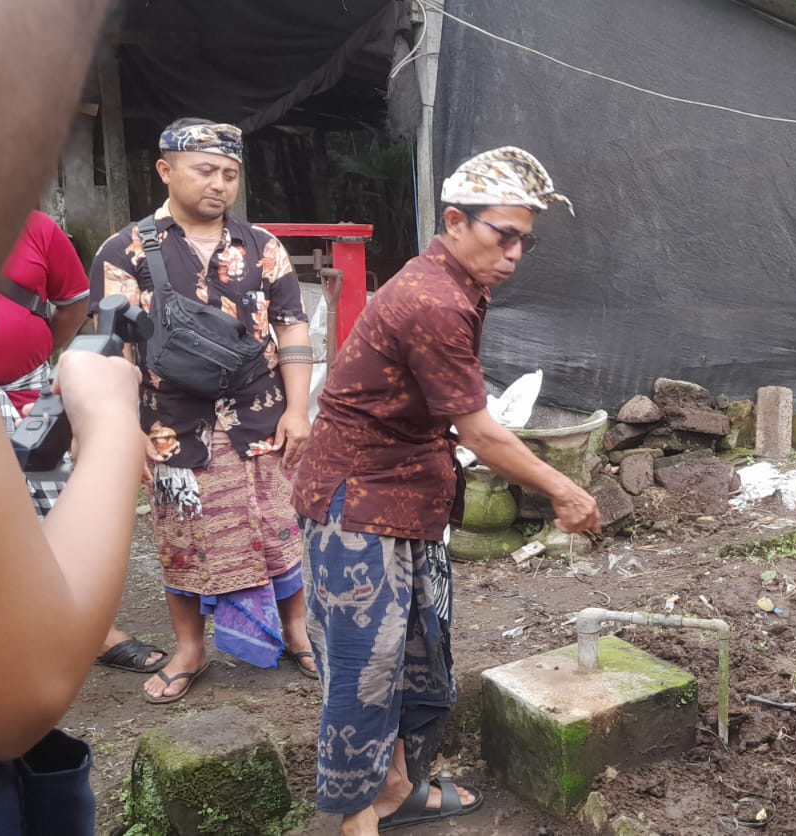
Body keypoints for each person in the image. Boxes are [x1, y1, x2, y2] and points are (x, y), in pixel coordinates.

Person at [292, 147, 601, 835]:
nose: (515, 253)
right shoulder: (431, 299)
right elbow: (481, 433)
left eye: (525, 240)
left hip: (406, 492)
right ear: (456, 221)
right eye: (504, 235)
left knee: (411, 651)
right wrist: (565, 491)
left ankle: (396, 788)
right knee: (364, 665)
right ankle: (354, 820)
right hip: (357, 499)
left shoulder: (459, 284)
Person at [0, 0, 142, 832]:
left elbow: (68, 306)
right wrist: (113, 422)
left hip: (20, 394)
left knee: (38, 512)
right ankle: (84, 613)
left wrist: (51, 371)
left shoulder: (43, 233)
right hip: (2, 406)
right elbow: (15, 686)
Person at [90, 119, 318, 705]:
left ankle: (295, 630)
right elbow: (113, 349)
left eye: (230, 174)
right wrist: (128, 429)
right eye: (206, 171)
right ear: (165, 170)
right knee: (182, 538)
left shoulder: (262, 246)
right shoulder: (125, 251)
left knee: (278, 528)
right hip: (171, 425)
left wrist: (298, 409)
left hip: (261, 417)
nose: (219, 184)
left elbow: (292, 326)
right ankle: (190, 648)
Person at [0, 211, 170, 676]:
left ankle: (93, 628)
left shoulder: (34, 226)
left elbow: (71, 305)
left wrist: (35, 350)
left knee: (62, 501)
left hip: (30, 389)